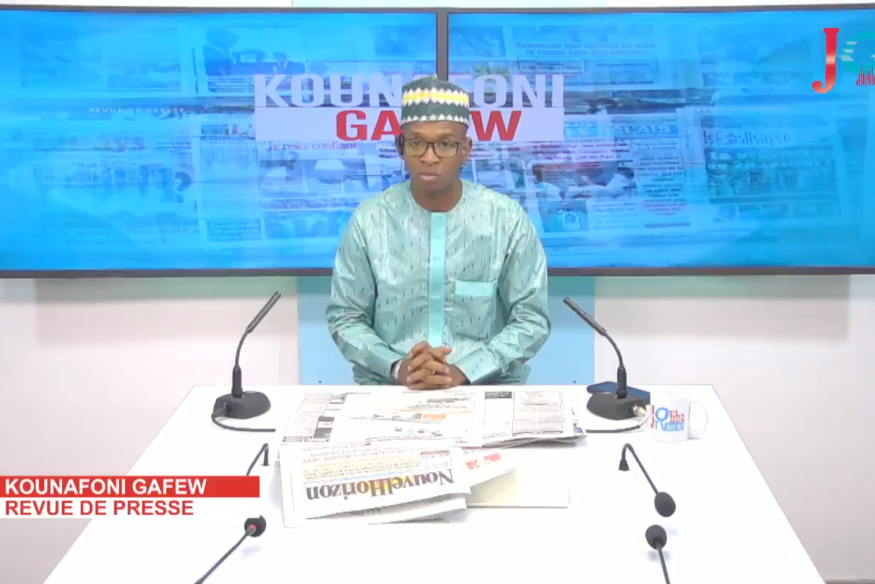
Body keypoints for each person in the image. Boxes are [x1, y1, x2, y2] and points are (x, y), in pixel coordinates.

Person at [326, 75, 551, 389]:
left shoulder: (506, 220)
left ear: (465, 149)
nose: (429, 157)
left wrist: (464, 371)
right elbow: (346, 317)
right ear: (401, 147)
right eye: (417, 142)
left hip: (484, 387)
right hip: (391, 389)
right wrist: (398, 368)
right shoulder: (369, 221)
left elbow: (531, 319)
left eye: (445, 144)